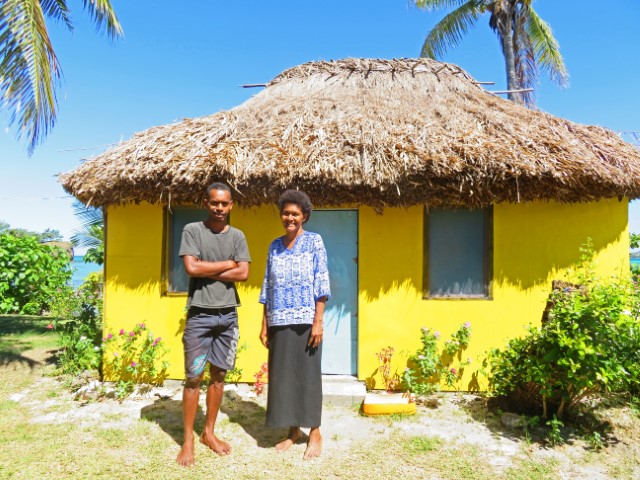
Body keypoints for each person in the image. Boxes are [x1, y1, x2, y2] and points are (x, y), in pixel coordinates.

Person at [176, 182, 251, 467]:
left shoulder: (238, 236)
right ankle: (188, 441)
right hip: (200, 315)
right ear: (206, 203)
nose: (219, 208)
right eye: (214, 203)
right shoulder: (193, 230)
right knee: (194, 377)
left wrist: (215, 266)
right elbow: (191, 268)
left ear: (231, 205)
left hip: (228, 315)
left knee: (219, 377)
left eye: (225, 203)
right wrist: (227, 265)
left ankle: (209, 432)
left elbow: (244, 274)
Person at [259, 189, 330, 460]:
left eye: (295, 213)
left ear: (304, 216)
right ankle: (293, 431)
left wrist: (318, 321)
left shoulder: (314, 242)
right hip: (278, 320)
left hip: (306, 320)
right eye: (286, 213)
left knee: (308, 376)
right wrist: (264, 323)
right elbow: (268, 286)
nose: (290, 217)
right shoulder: (274, 246)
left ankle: (314, 431)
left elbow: (321, 282)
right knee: (284, 377)